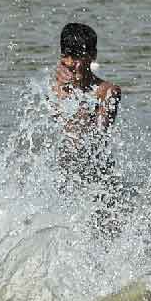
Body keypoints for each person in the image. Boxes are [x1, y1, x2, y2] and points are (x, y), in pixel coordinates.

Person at [51, 22, 122, 186]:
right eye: (66, 56)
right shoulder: (53, 90)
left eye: (76, 57)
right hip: (62, 175)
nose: (70, 63)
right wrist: (60, 90)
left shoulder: (108, 92)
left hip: (97, 176)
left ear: (93, 56)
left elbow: (98, 136)